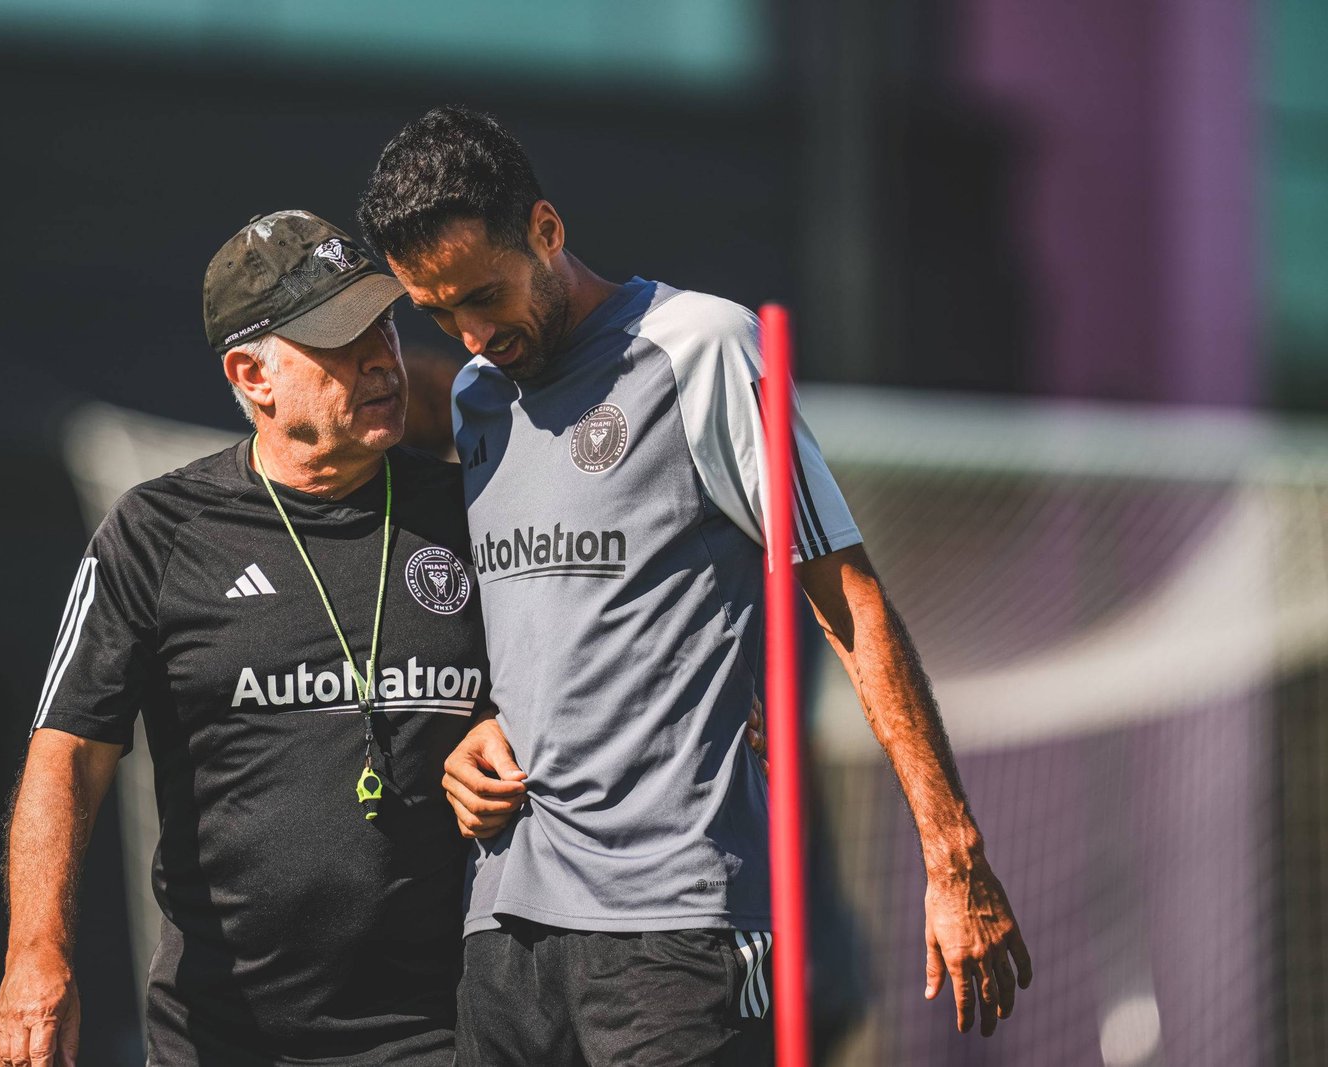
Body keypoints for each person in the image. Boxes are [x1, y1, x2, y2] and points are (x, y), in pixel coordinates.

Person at [357, 106, 1032, 1064]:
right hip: (504, 930)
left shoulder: (702, 344)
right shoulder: (477, 400)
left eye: (483, 294)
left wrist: (951, 848)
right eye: (438, 312)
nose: (470, 333)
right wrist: (482, 723)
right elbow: (546, 630)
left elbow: (846, 596)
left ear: (546, 231)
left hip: (675, 931)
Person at [0, 211, 492, 1067]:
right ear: (251, 374)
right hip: (223, 1038)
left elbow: (580, 651)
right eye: (340, 341)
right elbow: (66, 752)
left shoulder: (472, 509)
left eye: (382, 324)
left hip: (437, 1033)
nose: (379, 357)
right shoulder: (156, 530)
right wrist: (37, 953)